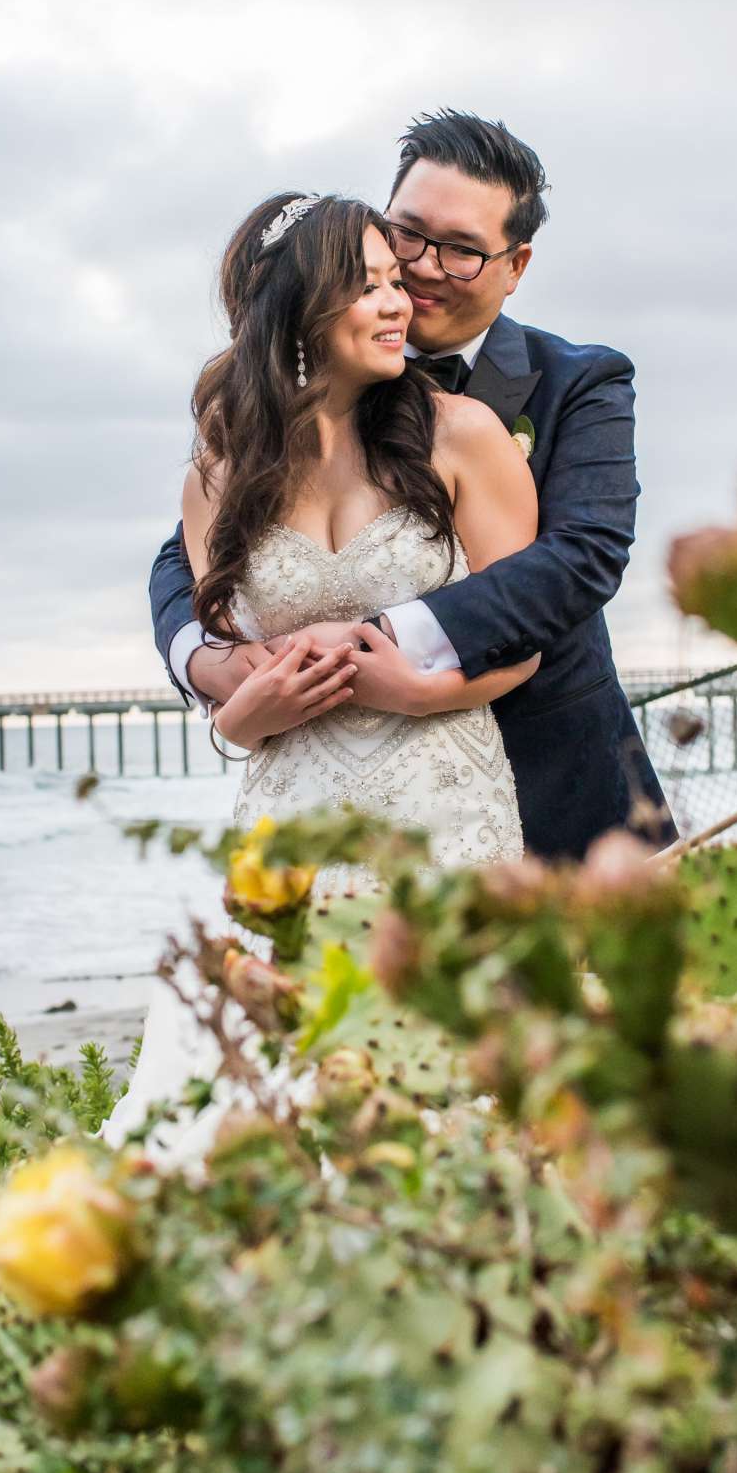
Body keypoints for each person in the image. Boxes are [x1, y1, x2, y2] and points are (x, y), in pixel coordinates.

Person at [102, 188, 535, 1154]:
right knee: (277, 1114)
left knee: (445, 1096)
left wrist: (420, 687)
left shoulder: (462, 436)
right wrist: (240, 718)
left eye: (397, 283)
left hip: (443, 807)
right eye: (369, 287)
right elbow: (227, 667)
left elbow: (522, 639)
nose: (399, 306)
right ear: (299, 313)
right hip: (290, 819)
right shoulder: (220, 468)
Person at [151, 111, 675, 861]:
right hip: (314, 810)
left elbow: (581, 558)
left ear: (516, 265)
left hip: (546, 791)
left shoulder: (579, 382)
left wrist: (380, 648)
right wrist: (209, 667)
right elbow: (185, 558)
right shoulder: (264, 434)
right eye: (408, 237)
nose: (423, 269)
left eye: (462, 250)